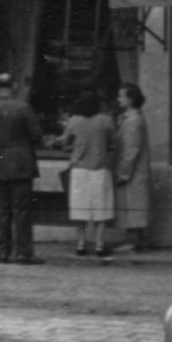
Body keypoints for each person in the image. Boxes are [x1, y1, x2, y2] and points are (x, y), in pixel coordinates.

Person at [0, 73, 43, 265]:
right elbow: (36, 135)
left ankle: (3, 252)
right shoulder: (23, 108)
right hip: (21, 163)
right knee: (22, 210)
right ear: (13, 87)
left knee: (3, 210)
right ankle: (23, 253)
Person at [63, 90, 117, 260]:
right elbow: (113, 144)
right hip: (100, 169)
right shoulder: (106, 120)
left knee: (80, 209)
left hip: (79, 169)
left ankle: (81, 243)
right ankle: (99, 244)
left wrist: (76, 149)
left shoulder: (74, 121)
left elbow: (66, 144)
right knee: (101, 208)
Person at [112, 83, 153, 254]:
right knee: (134, 206)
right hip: (137, 171)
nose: (118, 99)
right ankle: (138, 240)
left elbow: (131, 150)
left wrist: (122, 172)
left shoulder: (133, 120)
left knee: (131, 206)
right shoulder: (132, 118)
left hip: (133, 172)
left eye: (122, 96)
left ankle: (134, 240)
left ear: (130, 99)